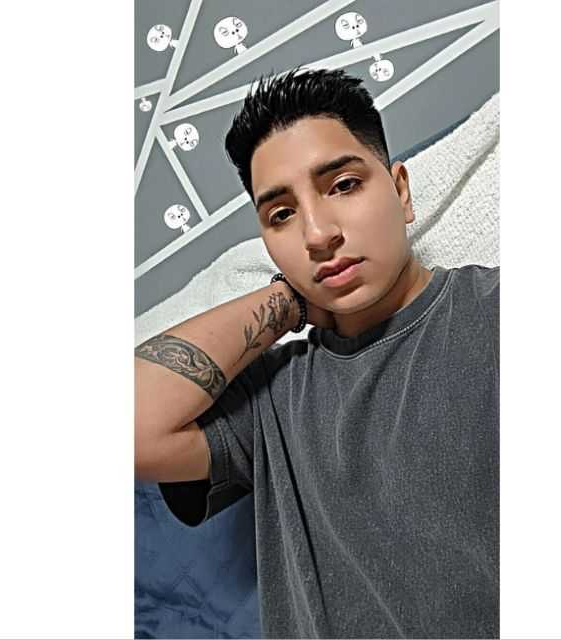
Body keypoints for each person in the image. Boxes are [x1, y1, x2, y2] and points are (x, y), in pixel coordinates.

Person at [135, 67, 499, 639]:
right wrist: (287, 303)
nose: (317, 234)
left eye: (344, 185)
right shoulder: (272, 401)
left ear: (401, 192)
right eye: (281, 215)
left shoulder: (495, 312)